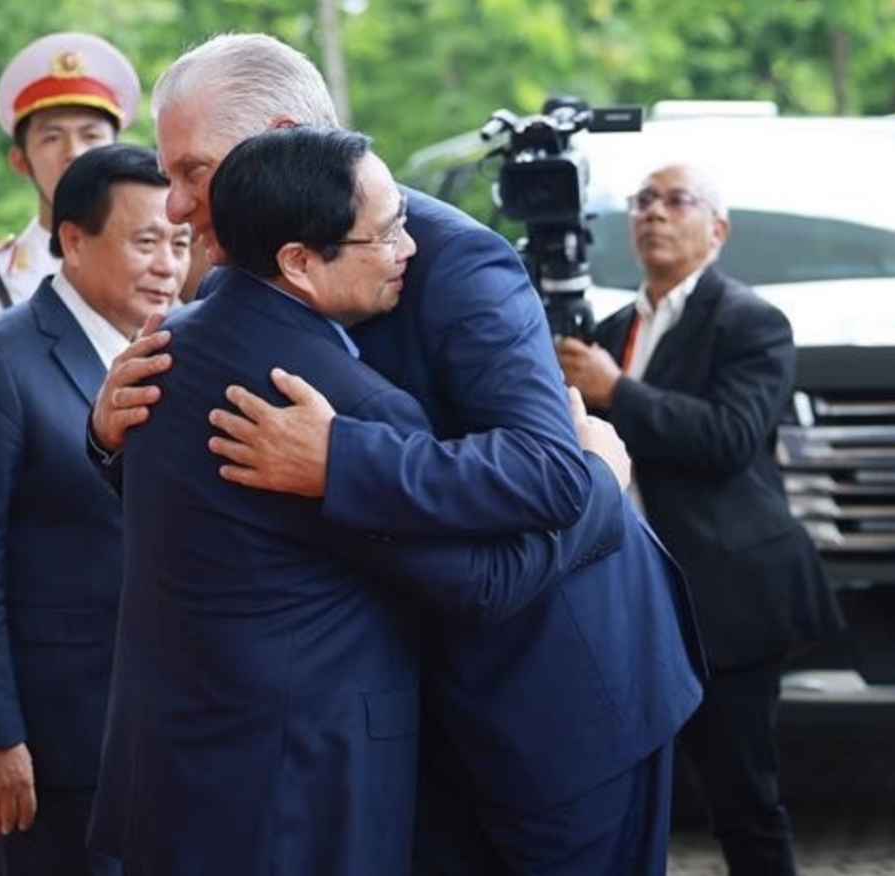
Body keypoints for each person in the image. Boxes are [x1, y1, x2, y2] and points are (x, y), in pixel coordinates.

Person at [88, 34, 705, 876]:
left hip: (561, 695)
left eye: (193, 173)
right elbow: (228, 499)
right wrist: (107, 438)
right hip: (403, 718)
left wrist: (341, 459)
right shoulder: (227, 290)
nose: (175, 209)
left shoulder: (452, 264)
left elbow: (546, 467)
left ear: (277, 141)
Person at [558, 163, 844, 876]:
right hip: (627, 589)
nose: (654, 213)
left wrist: (616, 389)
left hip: (727, 593)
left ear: (716, 230)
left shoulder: (751, 320)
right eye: (642, 201)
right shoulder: (613, 327)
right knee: (618, 792)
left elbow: (727, 438)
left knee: (742, 798)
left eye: (676, 200)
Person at [0, 144, 191, 876]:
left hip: (168, 729)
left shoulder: (176, 354)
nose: (168, 263)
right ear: (71, 240)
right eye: (145, 241)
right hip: (58, 741)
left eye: (181, 241)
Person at [0, 31, 141, 359]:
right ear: (20, 161)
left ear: (117, 151)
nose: (73, 152)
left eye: (90, 135)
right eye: (52, 138)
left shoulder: (158, 264)